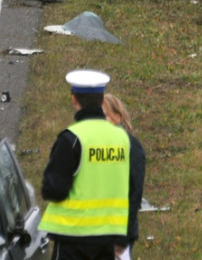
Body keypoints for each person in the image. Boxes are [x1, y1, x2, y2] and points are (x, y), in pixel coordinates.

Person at [40, 70, 131, 260]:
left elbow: (54, 190)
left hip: (73, 236)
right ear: (101, 101)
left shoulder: (71, 138)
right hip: (109, 236)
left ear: (74, 99)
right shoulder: (121, 138)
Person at [103, 94, 146, 260]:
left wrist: (121, 239)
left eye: (104, 116)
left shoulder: (131, 147)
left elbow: (134, 196)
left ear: (118, 117)